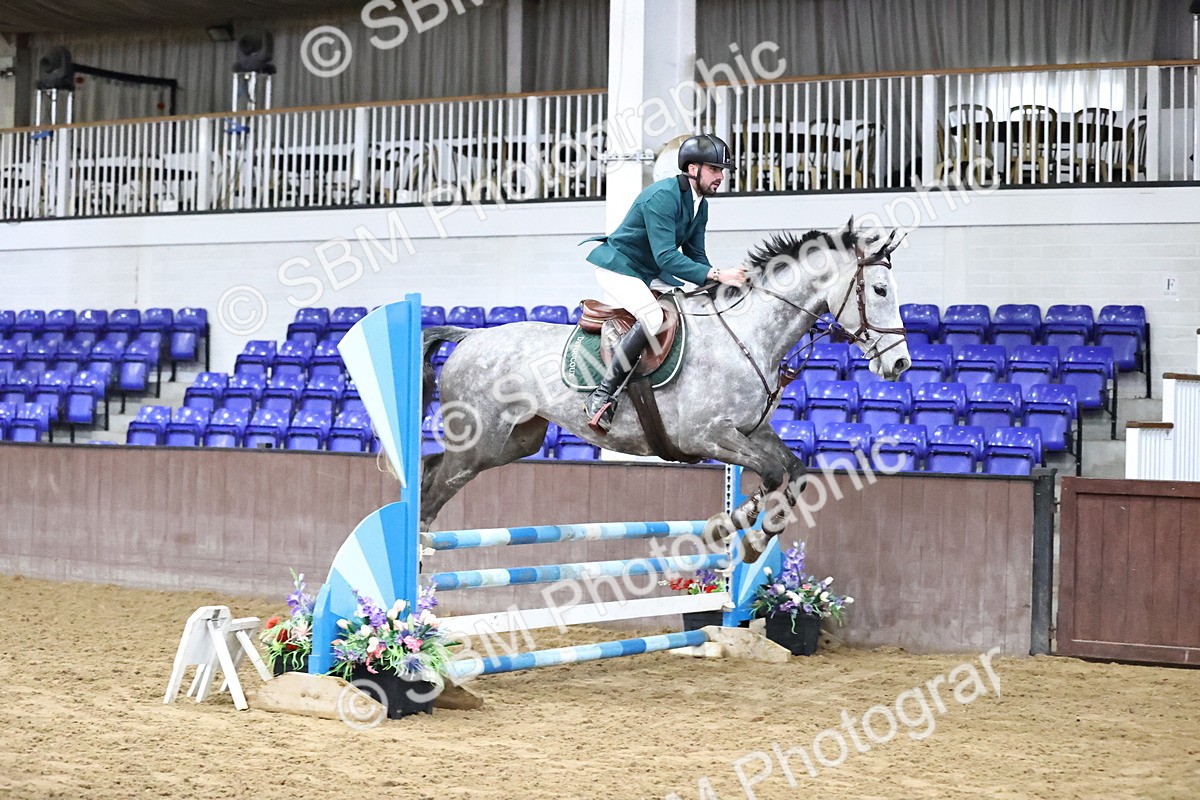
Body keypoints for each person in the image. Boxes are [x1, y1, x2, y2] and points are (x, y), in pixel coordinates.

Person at [581, 133, 748, 435]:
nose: (721, 177)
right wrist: (716, 274)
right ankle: (601, 396)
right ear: (693, 169)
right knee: (653, 316)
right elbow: (667, 256)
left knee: (688, 308)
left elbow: (696, 254)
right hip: (621, 267)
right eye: (715, 169)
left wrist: (718, 286)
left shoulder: (700, 204)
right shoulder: (663, 196)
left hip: (650, 269)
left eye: (722, 171)